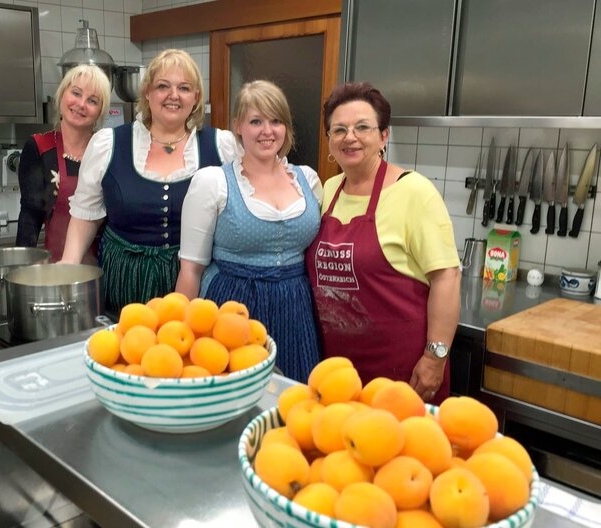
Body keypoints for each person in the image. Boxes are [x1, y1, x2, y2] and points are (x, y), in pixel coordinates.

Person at [305, 81, 460, 404]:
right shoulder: (329, 190)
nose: (350, 137)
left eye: (363, 127)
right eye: (339, 129)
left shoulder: (414, 192)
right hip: (338, 369)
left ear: (384, 136)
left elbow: (447, 277)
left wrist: (435, 358)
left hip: (402, 370)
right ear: (329, 140)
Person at [60, 49, 238, 314]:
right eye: (163, 86)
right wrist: (69, 264)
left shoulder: (222, 147)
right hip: (124, 281)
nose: (173, 95)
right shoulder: (108, 144)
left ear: (196, 97)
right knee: (128, 338)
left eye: (184, 88)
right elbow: (86, 216)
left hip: (196, 283)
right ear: (147, 93)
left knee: (188, 339)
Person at [176, 80, 322, 382]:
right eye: (256, 121)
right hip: (231, 306)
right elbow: (191, 269)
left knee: (292, 394)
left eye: (276, 121)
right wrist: (181, 337)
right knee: (232, 392)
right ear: (238, 126)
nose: (267, 131)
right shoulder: (213, 183)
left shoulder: (308, 180)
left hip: (295, 307)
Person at [15, 64, 111, 262]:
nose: (81, 104)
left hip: (106, 266)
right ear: (61, 96)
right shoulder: (40, 147)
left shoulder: (108, 150)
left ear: (100, 112)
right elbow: (30, 216)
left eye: (92, 100)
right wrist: (20, 267)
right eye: (76, 93)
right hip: (58, 267)